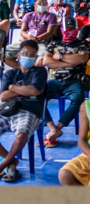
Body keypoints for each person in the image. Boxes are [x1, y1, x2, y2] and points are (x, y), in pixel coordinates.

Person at [0, 40, 47, 182]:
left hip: (30, 110)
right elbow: (3, 96)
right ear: (19, 55)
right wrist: (24, 91)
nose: (29, 56)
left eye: (33, 54)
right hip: (8, 109)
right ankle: (12, 162)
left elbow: (34, 90)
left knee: (21, 135)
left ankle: (3, 164)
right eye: (26, 53)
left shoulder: (39, 71)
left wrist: (13, 88)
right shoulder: (11, 73)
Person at [43, 16, 89, 147]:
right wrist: (69, 62)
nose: (69, 31)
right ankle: (53, 129)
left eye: (72, 29)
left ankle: (59, 127)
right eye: (66, 28)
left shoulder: (82, 44)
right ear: (61, 29)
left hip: (74, 81)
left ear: (76, 29)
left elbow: (82, 59)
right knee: (37, 95)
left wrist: (60, 57)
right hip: (55, 81)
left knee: (78, 98)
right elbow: (47, 61)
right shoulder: (54, 44)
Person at [2, 0, 57, 69]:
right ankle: (22, 70)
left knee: (43, 59)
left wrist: (35, 39)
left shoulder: (51, 16)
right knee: (2, 53)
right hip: (26, 40)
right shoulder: (28, 15)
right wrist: (29, 37)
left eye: (44, 3)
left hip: (41, 42)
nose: (42, 5)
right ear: (35, 4)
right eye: (40, 3)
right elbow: (22, 31)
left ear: (47, 4)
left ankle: (31, 72)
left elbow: (49, 33)